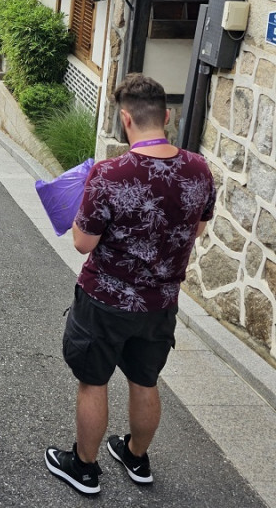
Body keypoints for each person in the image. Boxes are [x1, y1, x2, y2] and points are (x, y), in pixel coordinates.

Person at [45, 73, 216, 497]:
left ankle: (84, 469)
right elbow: (197, 229)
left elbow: (83, 243)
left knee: (94, 381)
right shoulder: (199, 169)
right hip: (162, 301)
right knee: (145, 380)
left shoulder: (110, 173)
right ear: (167, 116)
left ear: (126, 119)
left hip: (105, 299)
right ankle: (137, 456)